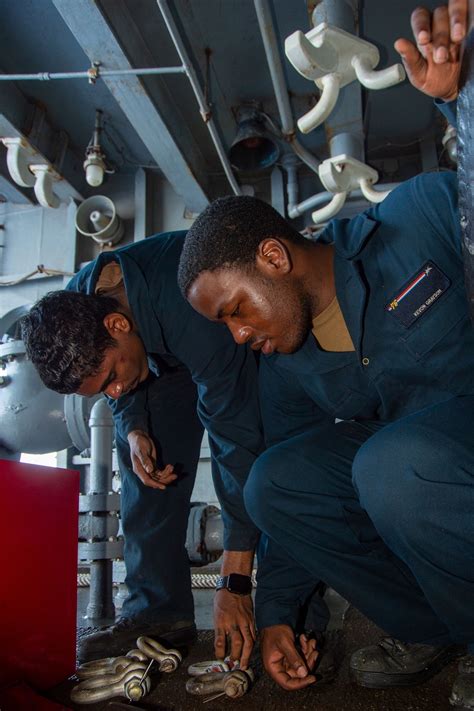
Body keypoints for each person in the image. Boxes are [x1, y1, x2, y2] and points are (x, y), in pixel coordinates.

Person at [177, 2, 474, 707]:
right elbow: (286, 508)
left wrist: (465, 105)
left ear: (274, 255)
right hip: (419, 483)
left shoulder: (416, 220)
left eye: (234, 311)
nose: (238, 335)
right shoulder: (287, 366)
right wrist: (278, 611)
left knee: (392, 465)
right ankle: (438, 628)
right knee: (274, 482)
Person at [21, 231, 266, 665]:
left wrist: (234, 578)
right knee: (144, 480)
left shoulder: (188, 297)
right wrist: (133, 426)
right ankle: (158, 615)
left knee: (260, 468)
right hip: (153, 359)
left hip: (217, 335)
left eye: (111, 376)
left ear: (117, 324)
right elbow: (118, 385)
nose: (112, 390)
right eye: (102, 390)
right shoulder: (80, 305)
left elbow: (235, 436)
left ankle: (290, 612)